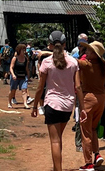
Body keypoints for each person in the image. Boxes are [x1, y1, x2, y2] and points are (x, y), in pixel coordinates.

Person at [31, 30, 87, 171]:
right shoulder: (73, 62)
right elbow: (78, 87)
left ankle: (58, 169)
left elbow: (40, 87)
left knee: (55, 140)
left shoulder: (47, 62)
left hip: (52, 104)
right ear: (65, 44)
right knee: (59, 138)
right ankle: (57, 168)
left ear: (50, 45)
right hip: (67, 106)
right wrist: (82, 108)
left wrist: (35, 106)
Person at [78, 41, 105, 171]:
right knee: (93, 128)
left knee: (85, 132)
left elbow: (68, 60)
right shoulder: (103, 66)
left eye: (89, 51)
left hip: (88, 99)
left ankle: (88, 163)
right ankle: (97, 154)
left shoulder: (85, 64)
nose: (86, 52)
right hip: (101, 98)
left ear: (95, 54)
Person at [8, 44, 33, 109]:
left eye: (25, 49)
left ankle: (25, 103)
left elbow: (27, 69)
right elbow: (11, 67)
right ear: (19, 50)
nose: (24, 51)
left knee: (24, 90)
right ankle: (9, 102)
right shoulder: (15, 58)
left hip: (23, 76)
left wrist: (28, 77)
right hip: (15, 76)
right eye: (23, 50)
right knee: (13, 90)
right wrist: (13, 75)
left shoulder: (26, 59)